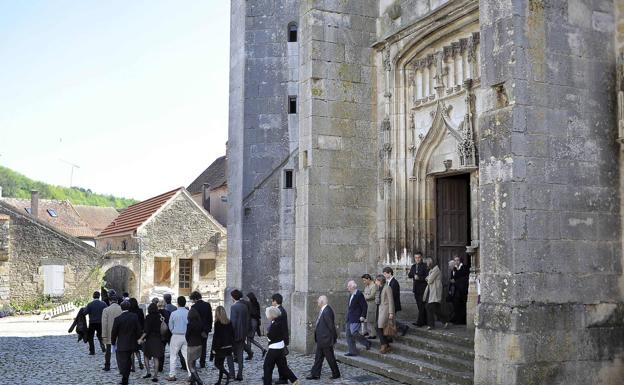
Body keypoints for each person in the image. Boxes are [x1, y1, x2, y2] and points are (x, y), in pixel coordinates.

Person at [306, 295, 340, 380]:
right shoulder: (324, 310)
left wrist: (334, 338)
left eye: (318, 301)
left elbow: (331, 326)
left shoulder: (327, 311)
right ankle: (315, 374)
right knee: (318, 357)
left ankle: (336, 374)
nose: (317, 302)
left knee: (330, 358)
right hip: (322, 339)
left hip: (326, 339)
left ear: (322, 302)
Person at [263, 306, 299, 385]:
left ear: (272, 315)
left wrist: (268, 334)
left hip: (274, 349)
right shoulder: (280, 321)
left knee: (267, 367)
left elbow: (270, 337)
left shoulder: (275, 324)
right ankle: (294, 380)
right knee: (283, 367)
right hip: (280, 347)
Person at [111, 300, 142, 385]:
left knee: (123, 361)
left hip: (122, 343)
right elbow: (138, 329)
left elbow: (114, 332)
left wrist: (113, 343)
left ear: (121, 308)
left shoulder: (118, 319)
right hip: (132, 343)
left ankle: (125, 378)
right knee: (128, 361)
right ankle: (125, 378)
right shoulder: (134, 316)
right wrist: (139, 338)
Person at [166, 296, 191, 381]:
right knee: (187, 356)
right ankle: (190, 374)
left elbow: (170, 325)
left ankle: (172, 375)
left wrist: (173, 331)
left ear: (178, 303)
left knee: (173, 356)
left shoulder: (174, 313)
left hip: (176, 335)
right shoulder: (188, 313)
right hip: (186, 336)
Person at [139, 303, 165, 382]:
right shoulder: (160, 316)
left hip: (150, 339)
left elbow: (146, 330)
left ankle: (148, 372)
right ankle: (155, 376)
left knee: (146, 356)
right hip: (158, 338)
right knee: (156, 358)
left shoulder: (148, 317)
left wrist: (141, 338)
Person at [344, 280, 371, 356]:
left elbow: (364, 306)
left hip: (356, 317)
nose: (347, 287)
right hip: (349, 317)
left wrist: (363, 316)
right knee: (348, 335)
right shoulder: (350, 294)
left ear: (353, 287)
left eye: (348, 286)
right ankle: (352, 351)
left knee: (354, 332)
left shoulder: (359, 294)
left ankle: (366, 342)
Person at [230, 289, 250, 381]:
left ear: (233, 297)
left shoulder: (234, 307)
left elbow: (233, 322)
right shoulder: (244, 306)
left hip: (235, 334)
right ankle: (240, 374)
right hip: (243, 333)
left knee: (232, 354)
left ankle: (232, 374)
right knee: (240, 354)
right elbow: (247, 320)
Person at [211, 306, 234, 385]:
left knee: (217, 364)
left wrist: (214, 349)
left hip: (220, 348)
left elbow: (216, 337)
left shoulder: (217, 323)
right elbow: (232, 334)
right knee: (221, 364)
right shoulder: (229, 322)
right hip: (228, 347)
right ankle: (219, 381)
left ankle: (227, 374)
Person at [383, 266, 409, 336]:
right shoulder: (388, 282)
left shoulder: (394, 282)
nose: (384, 275)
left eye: (385, 274)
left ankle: (403, 327)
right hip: (390, 304)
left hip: (393, 304)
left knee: (391, 319)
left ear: (390, 273)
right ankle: (396, 331)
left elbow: (393, 295)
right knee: (390, 319)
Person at [190, 291, 213, 368]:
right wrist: (209, 328)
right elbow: (210, 318)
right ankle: (202, 363)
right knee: (204, 346)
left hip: (197, 330)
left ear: (194, 299)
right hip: (205, 329)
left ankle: (194, 362)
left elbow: (193, 320)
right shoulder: (207, 305)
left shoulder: (194, 307)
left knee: (196, 346)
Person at [271, 293, 290, 385]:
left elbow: (278, 327)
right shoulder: (279, 310)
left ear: (275, 301)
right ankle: (282, 377)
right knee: (280, 361)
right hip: (279, 340)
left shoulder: (280, 311)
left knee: (281, 361)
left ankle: (284, 378)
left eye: (272, 300)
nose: (271, 302)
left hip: (279, 340)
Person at [101, 293, 123, 371]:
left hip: (109, 333)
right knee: (120, 351)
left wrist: (103, 335)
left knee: (108, 351)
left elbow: (104, 323)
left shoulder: (106, 310)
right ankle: (121, 367)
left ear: (110, 301)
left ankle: (107, 366)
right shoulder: (121, 309)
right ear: (117, 301)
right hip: (120, 333)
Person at [408, 252, 429, 327]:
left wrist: (419, 278)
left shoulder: (425, 266)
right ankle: (425, 321)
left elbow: (427, 277)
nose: (417, 259)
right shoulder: (413, 266)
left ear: (421, 257)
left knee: (421, 306)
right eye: (416, 258)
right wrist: (413, 275)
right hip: (416, 289)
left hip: (423, 289)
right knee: (419, 306)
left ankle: (420, 322)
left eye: (419, 257)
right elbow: (409, 275)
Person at [375, 274, 395, 354]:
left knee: (378, 327)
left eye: (376, 280)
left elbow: (391, 301)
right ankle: (386, 344)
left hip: (385, 310)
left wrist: (391, 313)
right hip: (379, 309)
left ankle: (384, 345)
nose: (375, 281)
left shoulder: (387, 287)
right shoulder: (379, 288)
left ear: (380, 280)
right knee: (378, 327)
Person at [424, 258, 445, 329]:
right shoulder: (431, 270)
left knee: (429, 307)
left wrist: (428, 278)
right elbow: (426, 278)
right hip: (432, 292)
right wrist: (428, 278)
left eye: (427, 263)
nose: (426, 265)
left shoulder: (436, 269)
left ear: (430, 263)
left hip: (435, 292)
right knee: (436, 309)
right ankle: (445, 321)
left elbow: (429, 280)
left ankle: (431, 325)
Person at [84, 291, 108, 355]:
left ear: (93, 296)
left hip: (92, 322)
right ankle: (102, 345)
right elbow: (107, 312)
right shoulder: (103, 304)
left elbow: (85, 313)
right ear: (99, 296)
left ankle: (92, 351)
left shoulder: (90, 304)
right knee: (100, 335)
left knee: (90, 337)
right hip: (100, 322)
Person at [186, 308, 205, 385]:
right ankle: (193, 381)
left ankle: (198, 380)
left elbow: (187, 335)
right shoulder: (200, 324)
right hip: (199, 344)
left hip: (191, 345)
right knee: (193, 363)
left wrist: (188, 341)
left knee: (190, 364)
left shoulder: (189, 324)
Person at [449, 255, 470, 325]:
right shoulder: (454, 269)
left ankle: (462, 321)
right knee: (456, 305)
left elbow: (466, 278)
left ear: (460, 261)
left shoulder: (464, 267)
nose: (456, 261)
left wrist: (456, 281)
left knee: (462, 305)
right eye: (455, 260)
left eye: (457, 260)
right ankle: (456, 319)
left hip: (463, 290)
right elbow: (452, 278)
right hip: (456, 290)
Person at [246, 292, 267, 358]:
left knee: (250, 338)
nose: (247, 299)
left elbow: (251, 313)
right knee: (249, 339)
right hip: (255, 322)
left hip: (251, 322)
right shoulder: (256, 303)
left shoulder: (250, 304)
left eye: (248, 297)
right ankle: (250, 354)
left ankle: (261, 350)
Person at [128, 298, 145, 372]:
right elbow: (143, 321)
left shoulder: (129, 312)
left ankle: (133, 367)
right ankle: (140, 362)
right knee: (137, 349)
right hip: (138, 332)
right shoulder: (140, 311)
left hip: (131, 332)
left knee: (132, 350)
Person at [361, 274, 377, 339]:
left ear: (368, 279)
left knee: (371, 320)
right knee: (367, 319)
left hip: (372, 305)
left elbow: (372, 296)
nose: (364, 282)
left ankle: (373, 334)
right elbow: (365, 293)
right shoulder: (367, 286)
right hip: (367, 305)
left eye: (364, 280)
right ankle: (369, 332)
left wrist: (365, 296)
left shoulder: (374, 286)